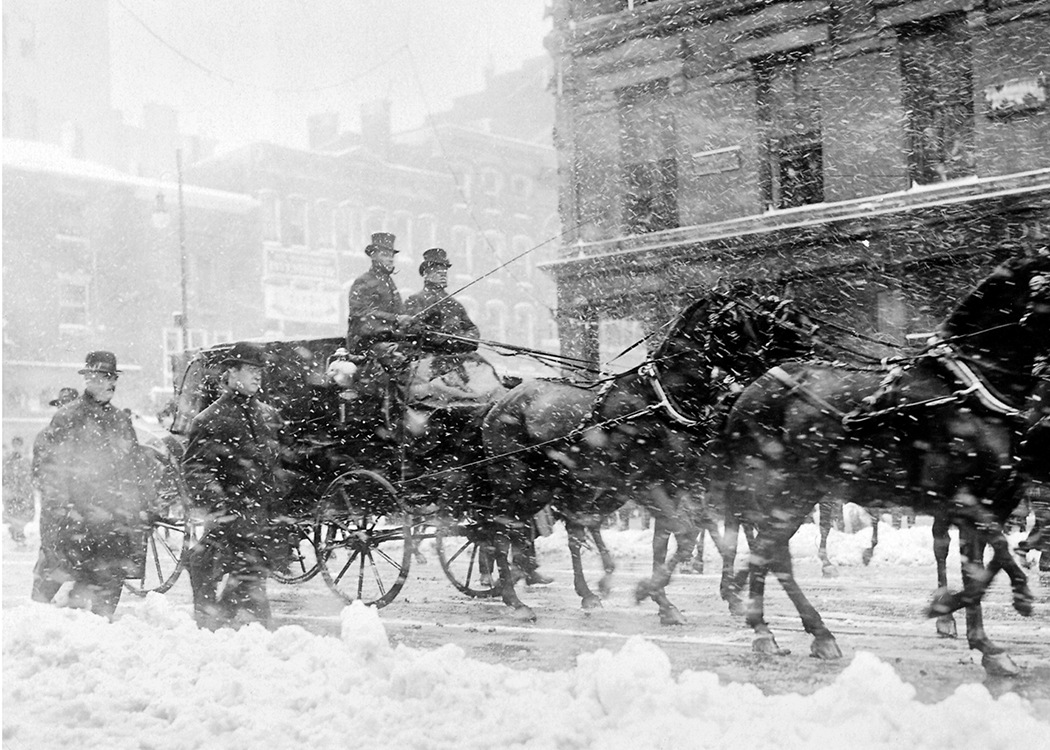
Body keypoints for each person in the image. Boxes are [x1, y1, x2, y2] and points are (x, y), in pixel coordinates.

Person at [30, 351, 152, 617]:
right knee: (51, 585)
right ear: (89, 378)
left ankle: (100, 630)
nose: (111, 383)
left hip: (112, 524)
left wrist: (139, 505)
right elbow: (48, 471)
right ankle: (37, 634)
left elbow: (133, 470)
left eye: (113, 377)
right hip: (76, 523)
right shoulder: (67, 418)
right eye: (105, 376)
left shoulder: (121, 421)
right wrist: (64, 511)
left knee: (107, 593)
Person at [182, 342, 289, 630]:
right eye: (251, 370)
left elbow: (278, 464)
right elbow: (195, 469)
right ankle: (211, 628)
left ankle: (223, 625)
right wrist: (221, 505)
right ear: (231, 373)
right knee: (210, 570)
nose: (258, 377)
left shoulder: (268, 415)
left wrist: (280, 496)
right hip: (229, 520)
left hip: (259, 521)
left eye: (260, 372)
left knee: (250, 591)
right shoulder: (210, 419)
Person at [346, 232, 412, 356]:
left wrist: (408, 320)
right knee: (400, 355)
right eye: (385, 255)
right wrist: (395, 319)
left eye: (392, 255)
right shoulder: (364, 281)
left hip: (388, 339)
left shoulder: (389, 283)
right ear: (373, 256)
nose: (391, 259)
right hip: (366, 343)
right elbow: (359, 312)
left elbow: (399, 311)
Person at [403, 247, 479, 355]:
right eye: (437, 271)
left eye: (444, 271)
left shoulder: (454, 304)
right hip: (427, 355)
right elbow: (411, 328)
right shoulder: (415, 300)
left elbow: (471, 328)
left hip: (457, 354)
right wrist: (442, 340)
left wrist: (465, 340)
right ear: (426, 274)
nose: (443, 274)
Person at [2, 437, 33, 544]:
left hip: (21, 491)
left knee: (21, 513)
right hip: (13, 491)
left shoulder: (24, 460)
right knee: (14, 512)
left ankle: (18, 531)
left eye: (18, 444)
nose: (17, 447)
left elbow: (29, 475)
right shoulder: (8, 461)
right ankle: (16, 532)